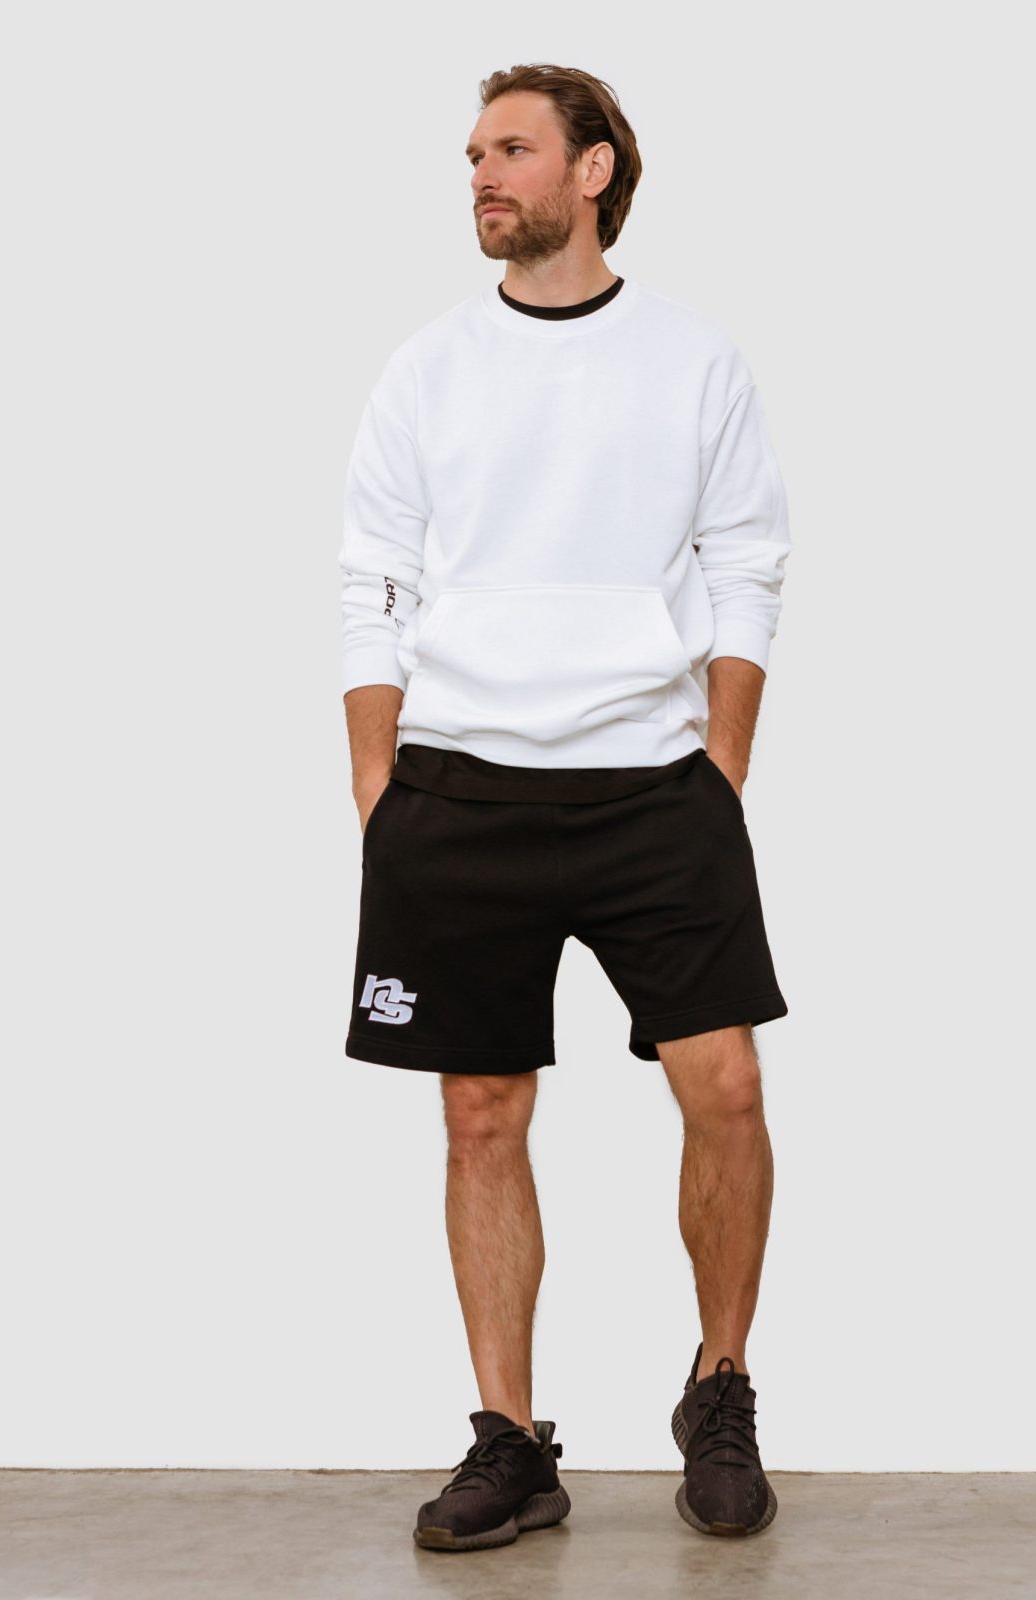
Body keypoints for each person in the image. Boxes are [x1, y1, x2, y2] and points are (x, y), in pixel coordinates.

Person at [338, 62, 792, 1550]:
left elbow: (746, 561)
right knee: (481, 1110)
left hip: (652, 785)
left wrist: (722, 763)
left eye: (513, 148)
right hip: (458, 785)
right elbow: (372, 582)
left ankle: (719, 1389)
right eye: (474, 153)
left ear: (594, 171)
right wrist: (377, 783)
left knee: (724, 1085)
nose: (483, 174)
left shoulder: (692, 359)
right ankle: (509, 1440)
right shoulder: (428, 369)